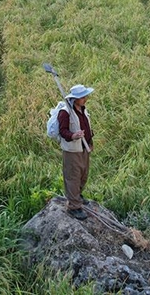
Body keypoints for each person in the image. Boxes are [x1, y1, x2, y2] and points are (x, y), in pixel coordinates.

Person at [58, 84, 94, 220]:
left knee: (83, 174)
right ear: (75, 99)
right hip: (72, 151)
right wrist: (73, 135)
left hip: (84, 148)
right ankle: (74, 207)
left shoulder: (83, 109)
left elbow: (87, 128)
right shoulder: (65, 112)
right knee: (73, 177)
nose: (85, 98)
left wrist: (90, 142)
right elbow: (63, 131)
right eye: (82, 97)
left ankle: (77, 195)